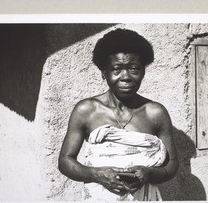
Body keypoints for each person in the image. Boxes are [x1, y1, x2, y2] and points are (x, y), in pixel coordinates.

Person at [58, 28, 179, 201]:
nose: (126, 77)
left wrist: (149, 173)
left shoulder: (155, 113)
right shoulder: (87, 110)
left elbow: (172, 164)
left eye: (134, 68)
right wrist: (96, 174)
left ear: (143, 72)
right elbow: (65, 161)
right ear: (103, 73)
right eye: (117, 69)